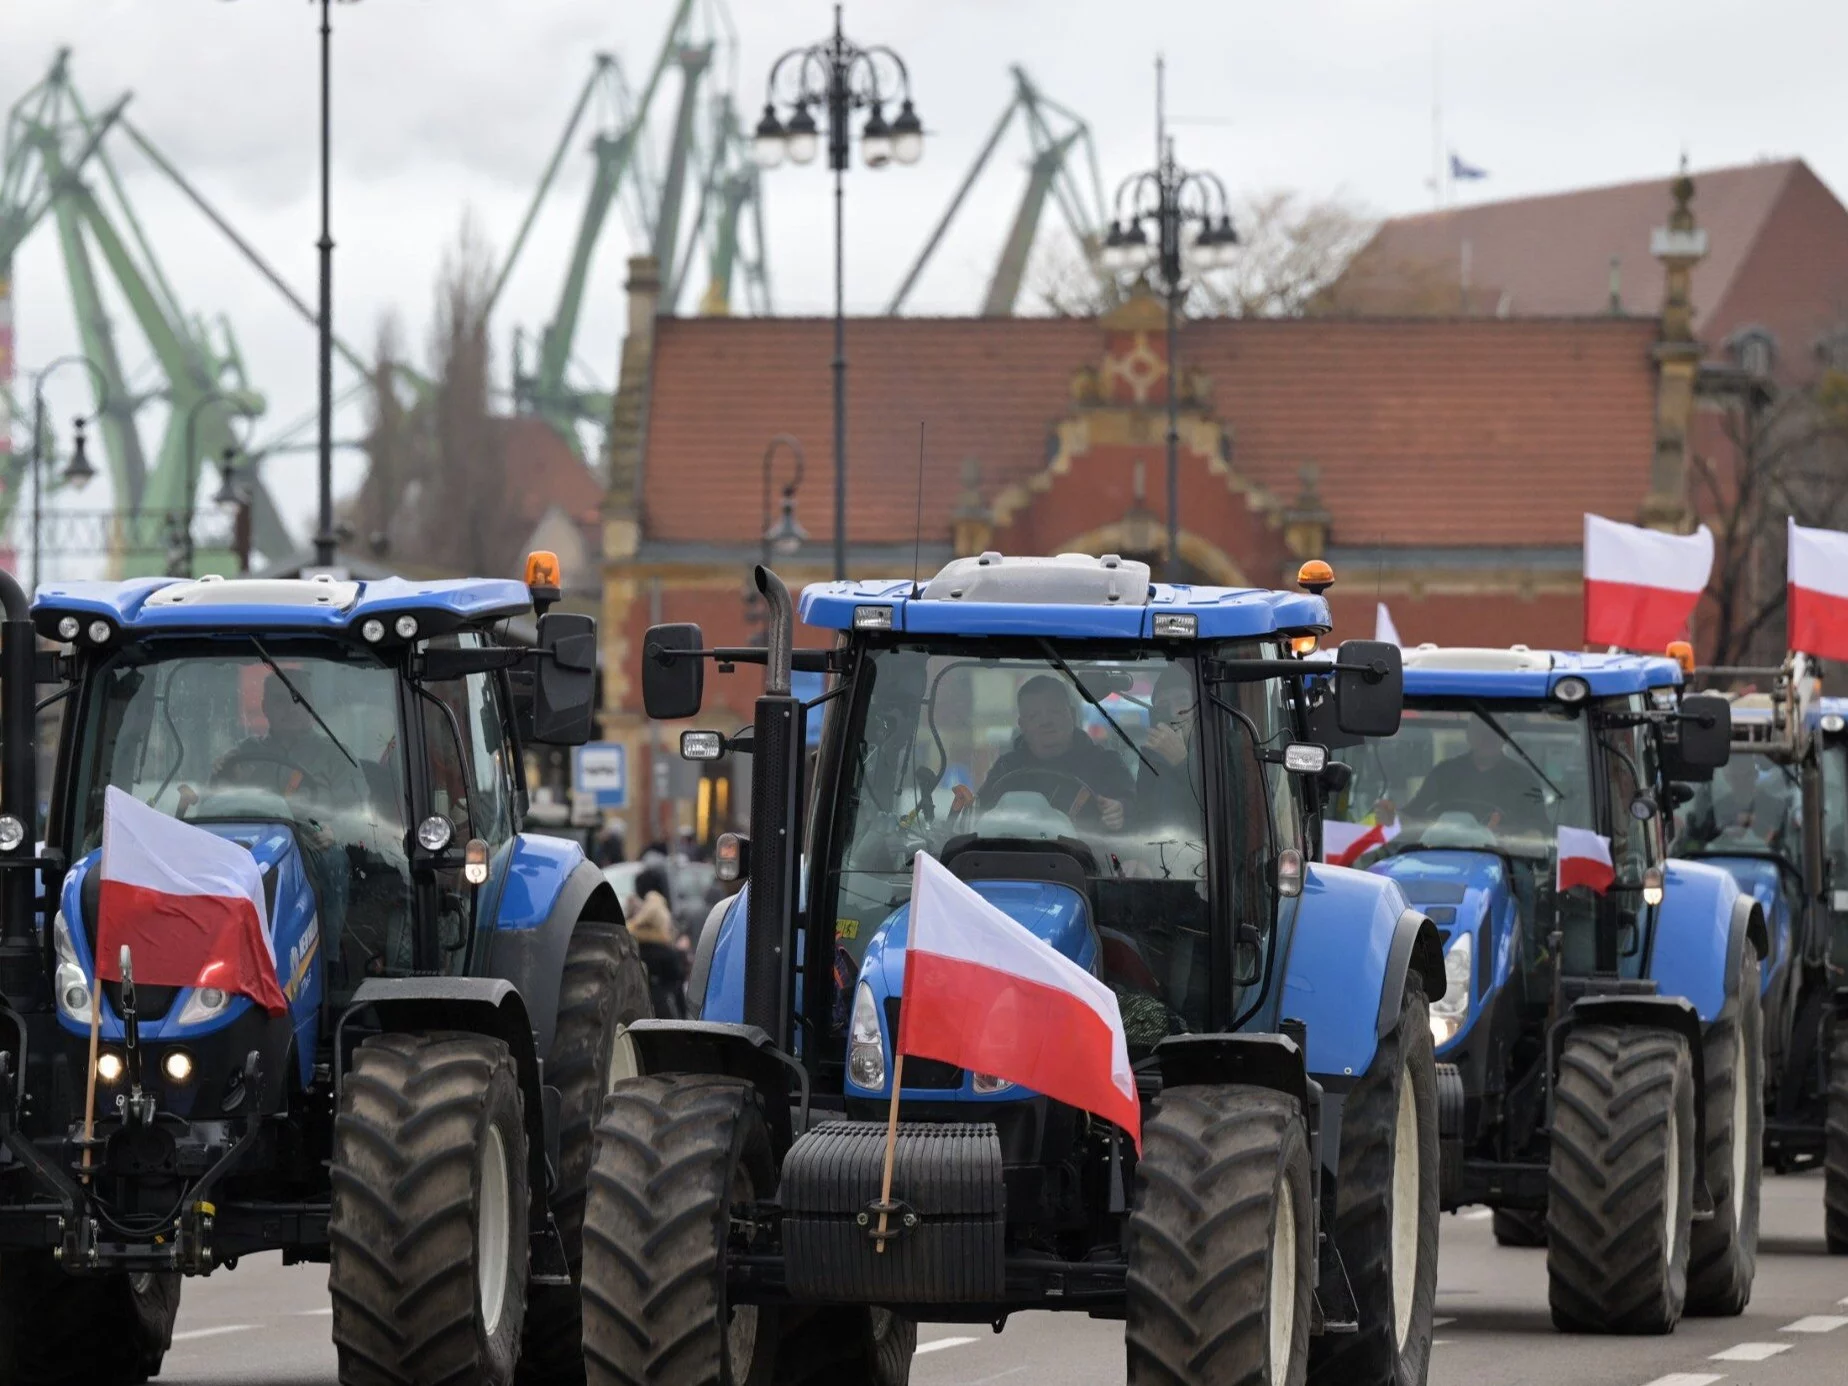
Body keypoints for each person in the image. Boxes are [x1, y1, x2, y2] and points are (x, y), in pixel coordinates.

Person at [962, 675, 1135, 830]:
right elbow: (981, 819)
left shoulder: (1105, 764)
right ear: (1022, 726)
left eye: (1054, 712)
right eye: (1034, 716)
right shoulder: (1006, 768)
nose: (1045, 721)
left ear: (1072, 715)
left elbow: (1139, 813)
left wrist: (1121, 809)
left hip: (1090, 861)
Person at [1385, 714, 1548, 839]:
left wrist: (1504, 833)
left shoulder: (1524, 780)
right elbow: (1414, 813)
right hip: (1442, 852)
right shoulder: (1444, 773)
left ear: (1504, 737)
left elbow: (1539, 829)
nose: (1487, 738)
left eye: (1493, 732)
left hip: (1507, 860)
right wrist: (1391, 815)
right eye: (1480, 731)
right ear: (1469, 735)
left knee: (1523, 880)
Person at [1136, 665, 1203, 832]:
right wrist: (1123, 811)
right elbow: (1142, 816)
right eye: (1164, 705)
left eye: (1182, 701)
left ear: (1198, 707)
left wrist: (1182, 762)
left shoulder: (1223, 745)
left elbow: (1225, 808)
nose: (1174, 712)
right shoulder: (1151, 756)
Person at [626, 866, 688, 1018]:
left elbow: (632, 926)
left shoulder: (651, 902)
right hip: (667, 964)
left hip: (657, 963)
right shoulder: (660, 903)